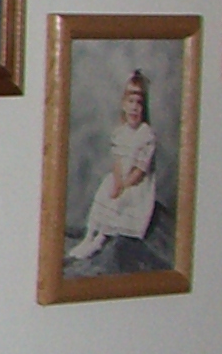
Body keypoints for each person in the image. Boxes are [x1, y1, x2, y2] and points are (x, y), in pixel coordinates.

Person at [67, 70, 158, 263]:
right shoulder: (120, 132)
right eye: (130, 102)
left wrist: (124, 185)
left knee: (120, 200)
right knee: (105, 188)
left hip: (135, 184)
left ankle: (101, 238)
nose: (134, 108)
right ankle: (89, 235)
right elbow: (117, 162)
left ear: (144, 107)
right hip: (121, 179)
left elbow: (140, 170)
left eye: (139, 104)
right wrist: (117, 182)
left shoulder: (146, 135)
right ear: (123, 104)